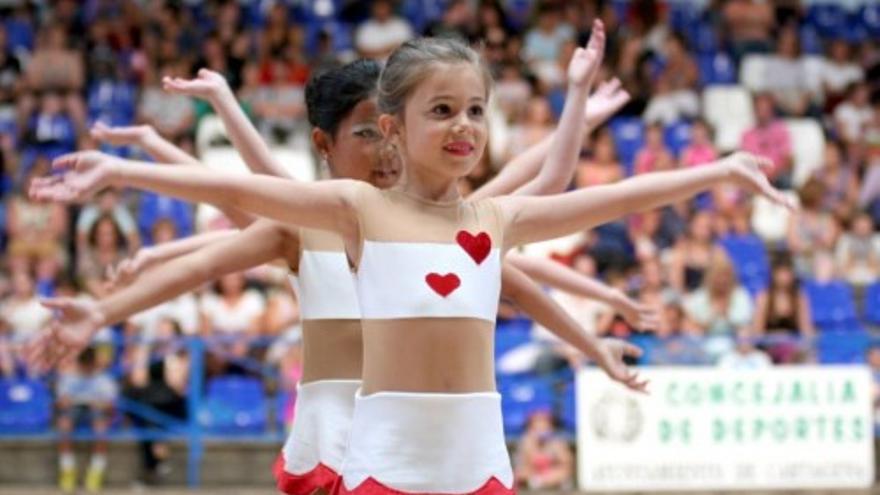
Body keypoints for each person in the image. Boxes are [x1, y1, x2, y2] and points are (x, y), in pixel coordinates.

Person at [32, 29, 790, 495]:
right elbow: (240, 187)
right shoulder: (353, 212)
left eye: (475, 110)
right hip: (377, 457)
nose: (463, 125)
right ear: (393, 129)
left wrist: (718, 170)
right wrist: (129, 174)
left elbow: (611, 198)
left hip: (479, 463)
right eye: (441, 110)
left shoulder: (492, 218)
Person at [55, 346, 117, 493]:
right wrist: (68, 401)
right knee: (64, 426)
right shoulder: (68, 377)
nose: (87, 368)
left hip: (96, 411)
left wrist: (98, 403)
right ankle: (67, 470)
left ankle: (95, 472)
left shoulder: (103, 378)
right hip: (73, 410)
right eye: (84, 364)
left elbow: (109, 404)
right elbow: (60, 402)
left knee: (101, 429)